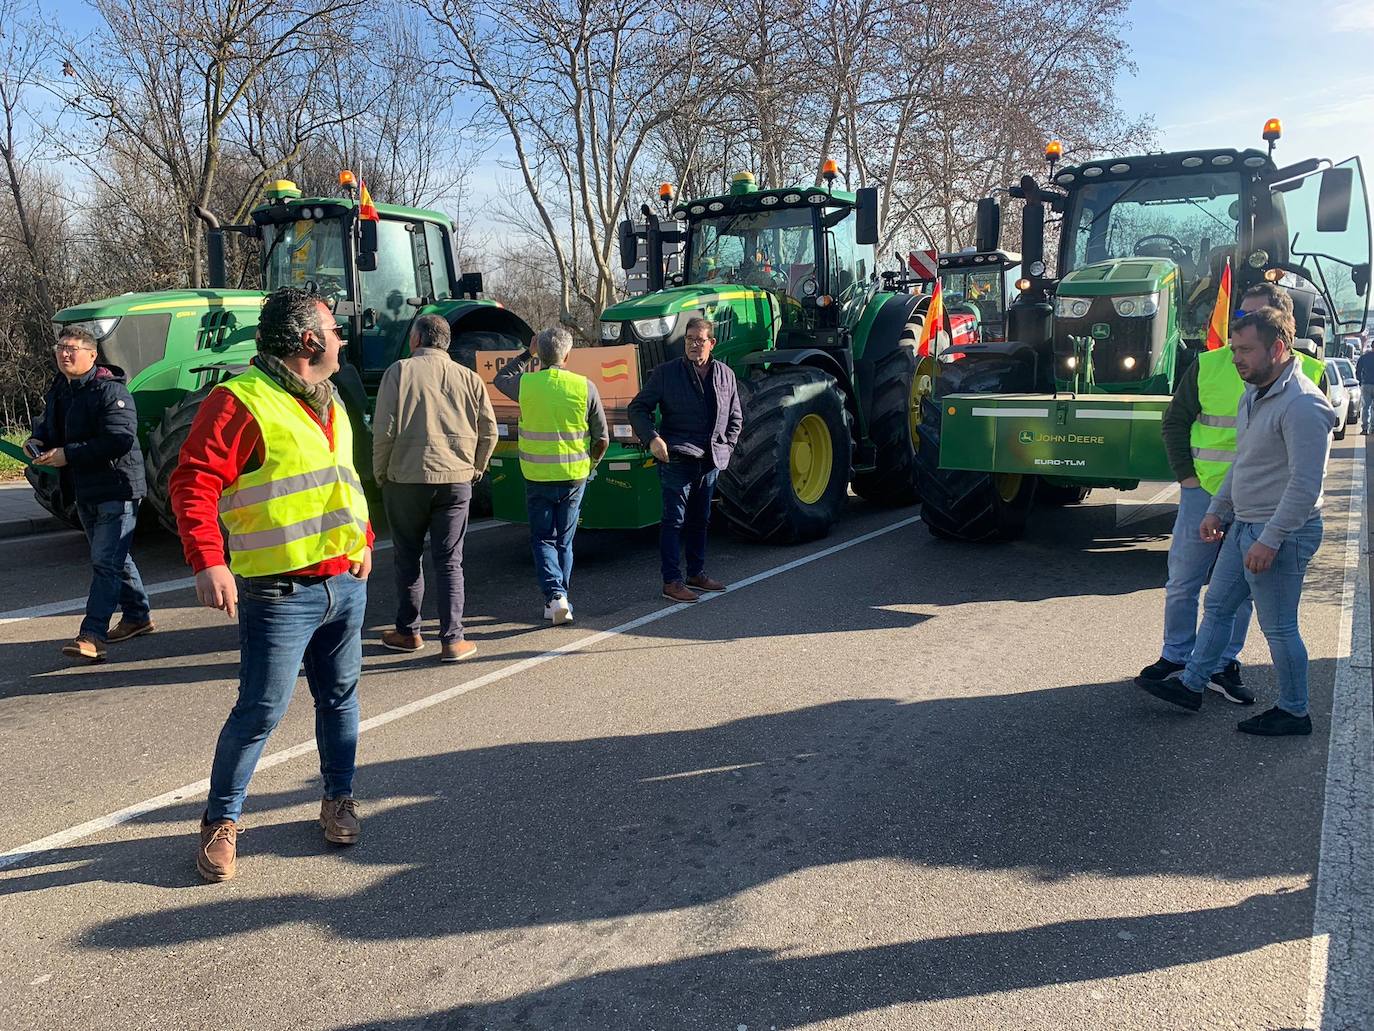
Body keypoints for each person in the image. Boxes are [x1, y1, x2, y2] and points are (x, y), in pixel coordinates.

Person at [170, 286, 374, 881]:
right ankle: (221, 822)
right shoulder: (239, 402)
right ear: (310, 342)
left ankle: (338, 799)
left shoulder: (329, 399)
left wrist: (362, 539)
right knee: (260, 711)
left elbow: (343, 480)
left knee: (340, 701)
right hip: (279, 594)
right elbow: (192, 483)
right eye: (335, 331)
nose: (342, 339)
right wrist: (208, 561)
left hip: (344, 583)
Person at [1136, 306, 1336, 735]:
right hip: (1244, 525)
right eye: (1233, 348)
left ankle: (1295, 712)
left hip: (1280, 533)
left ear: (1278, 348)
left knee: (1279, 627)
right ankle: (1191, 685)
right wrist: (1215, 510)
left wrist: (1272, 539)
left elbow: (1306, 486)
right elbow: (1242, 464)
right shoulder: (1255, 393)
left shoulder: (1303, 405)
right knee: (1219, 604)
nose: (1236, 358)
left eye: (1245, 350)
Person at [1142, 283, 1300, 702]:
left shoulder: (1303, 380)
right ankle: (1177, 657)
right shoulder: (1211, 364)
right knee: (1183, 582)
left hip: (1259, 503)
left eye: (1255, 318)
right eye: (1240, 318)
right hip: (1206, 493)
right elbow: (1175, 421)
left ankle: (1223, 663)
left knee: (1238, 592)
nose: (1242, 328)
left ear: (1279, 330)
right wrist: (1188, 480)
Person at [372, 314, 496, 662]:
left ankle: (408, 632)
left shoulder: (398, 372)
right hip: (456, 480)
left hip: (406, 480)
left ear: (416, 339)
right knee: (449, 562)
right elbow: (489, 431)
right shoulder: (470, 379)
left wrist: (380, 472)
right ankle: (453, 640)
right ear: (446, 342)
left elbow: (384, 430)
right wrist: (476, 468)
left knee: (408, 558)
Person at [27, 325, 153, 661]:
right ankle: (138, 616)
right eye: (60, 347)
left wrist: (68, 454)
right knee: (114, 558)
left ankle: (92, 634)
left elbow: (119, 440)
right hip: (84, 490)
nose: (64, 354)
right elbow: (49, 428)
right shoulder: (61, 389)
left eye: (72, 348)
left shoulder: (111, 392)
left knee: (104, 562)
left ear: (93, 355)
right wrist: (37, 441)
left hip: (117, 488)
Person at [494, 326, 609, 623]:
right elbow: (602, 439)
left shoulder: (527, 385)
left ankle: (555, 596)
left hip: (536, 476)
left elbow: (500, 378)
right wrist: (591, 464)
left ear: (540, 354)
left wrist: (526, 353)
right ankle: (561, 597)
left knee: (543, 539)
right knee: (564, 541)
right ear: (568, 355)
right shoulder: (585, 386)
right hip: (574, 477)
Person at [628, 316, 743, 603]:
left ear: (711, 343)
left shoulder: (725, 374)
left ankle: (696, 573)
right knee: (673, 522)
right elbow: (638, 408)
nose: (693, 345)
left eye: (699, 340)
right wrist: (652, 438)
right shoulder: (667, 373)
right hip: (677, 458)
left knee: (700, 520)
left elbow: (735, 417)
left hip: (711, 460)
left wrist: (726, 447)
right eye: (689, 340)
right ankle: (672, 581)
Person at [1356, 343, 1374, 433]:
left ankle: (1364, 428)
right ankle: (1373, 427)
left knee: (1365, 407)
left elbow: (1358, 370)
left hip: (1366, 384)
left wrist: (1360, 381)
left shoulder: (1364, 357)